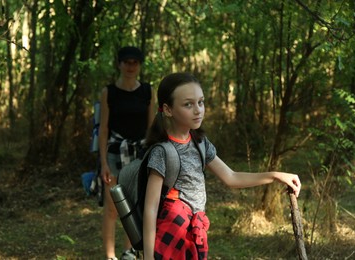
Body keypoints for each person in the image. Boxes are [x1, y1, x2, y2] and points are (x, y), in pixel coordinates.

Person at [142, 72, 302, 260]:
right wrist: (148, 256)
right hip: (172, 233)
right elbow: (150, 209)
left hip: (195, 232)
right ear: (168, 110)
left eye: (200, 102)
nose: (198, 110)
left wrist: (275, 176)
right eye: (188, 104)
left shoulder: (200, 143)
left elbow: (231, 177)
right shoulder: (162, 152)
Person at [98, 46, 155, 260]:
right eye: (126, 62)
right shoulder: (109, 92)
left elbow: (152, 127)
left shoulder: (148, 91)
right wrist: (103, 162)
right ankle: (110, 255)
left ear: (140, 65)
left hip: (140, 154)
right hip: (115, 153)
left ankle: (128, 253)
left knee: (133, 206)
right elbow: (103, 129)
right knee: (113, 208)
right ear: (119, 64)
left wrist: (153, 155)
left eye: (135, 62)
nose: (131, 66)